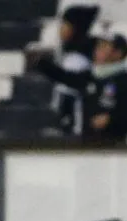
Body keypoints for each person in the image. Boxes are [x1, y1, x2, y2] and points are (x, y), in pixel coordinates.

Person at [31, 33, 127, 141]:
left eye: (104, 47)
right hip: (88, 142)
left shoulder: (126, 81)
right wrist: (42, 64)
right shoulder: (92, 76)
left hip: (113, 146)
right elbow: (66, 77)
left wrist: (111, 119)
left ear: (118, 53)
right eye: (98, 46)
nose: (97, 50)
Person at [51, 5, 99, 136]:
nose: (61, 29)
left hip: (77, 123)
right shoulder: (68, 53)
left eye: (65, 25)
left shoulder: (77, 59)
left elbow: (68, 95)